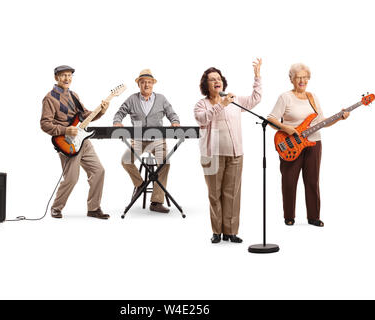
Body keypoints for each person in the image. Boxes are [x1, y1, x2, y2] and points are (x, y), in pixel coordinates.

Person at [266, 63, 350, 227]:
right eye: (298, 77)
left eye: (305, 77)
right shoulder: (285, 97)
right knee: (289, 181)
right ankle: (289, 216)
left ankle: (314, 217)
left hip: (313, 143)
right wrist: (287, 129)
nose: (302, 80)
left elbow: (322, 122)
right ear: (291, 79)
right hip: (291, 145)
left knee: (312, 180)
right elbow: (271, 119)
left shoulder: (313, 97)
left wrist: (340, 117)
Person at [194, 59, 262, 244]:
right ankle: (217, 232)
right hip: (212, 156)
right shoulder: (202, 104)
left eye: (219, 78)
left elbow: (255, 99)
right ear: (206, 85)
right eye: (212, 79)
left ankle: (231, 232)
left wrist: (257, 76)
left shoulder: (234, 100)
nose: (217, 81)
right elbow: (203, 119)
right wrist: (221, 104)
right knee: (214, 194)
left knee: (232, 194)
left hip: (235, 154)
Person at [41, 65, 110, 219]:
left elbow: (85, 116)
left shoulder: (74, 96)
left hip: (83, 141)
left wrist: (102, 110)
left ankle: (93, 208)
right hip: (67, 143)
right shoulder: (49, 98)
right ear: (56, 78)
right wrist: (65, 130)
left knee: (99, 171)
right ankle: (56, 208)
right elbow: (45, 124)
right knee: (72, 178)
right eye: (63, 75)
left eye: (69, 75)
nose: (67, 78)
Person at [113, 69, 180, 213]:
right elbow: (120, 112)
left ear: (153, 84)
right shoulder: (132, 99)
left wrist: (175, 122)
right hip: (138, 140)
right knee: (125, 160)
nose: (146, 85)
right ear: (139, 85)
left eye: (149, 82)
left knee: (164, 164)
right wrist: (117, 121)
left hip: (157, 141)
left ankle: (156, 201)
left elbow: (172, 114)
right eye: (143, 82)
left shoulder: (161, 99)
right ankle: (140, 184)